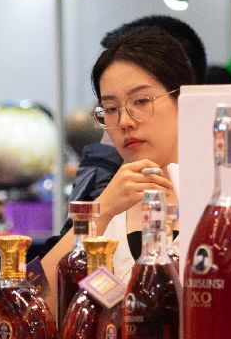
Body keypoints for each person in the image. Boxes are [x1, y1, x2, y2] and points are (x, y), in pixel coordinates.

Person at [37, 26, 192, 289]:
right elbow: (35, 297)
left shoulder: (213, 197)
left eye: (141, 101)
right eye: (110, 109)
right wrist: (102, 211)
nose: (124, 121)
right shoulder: (109, 201)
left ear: (183, 100)